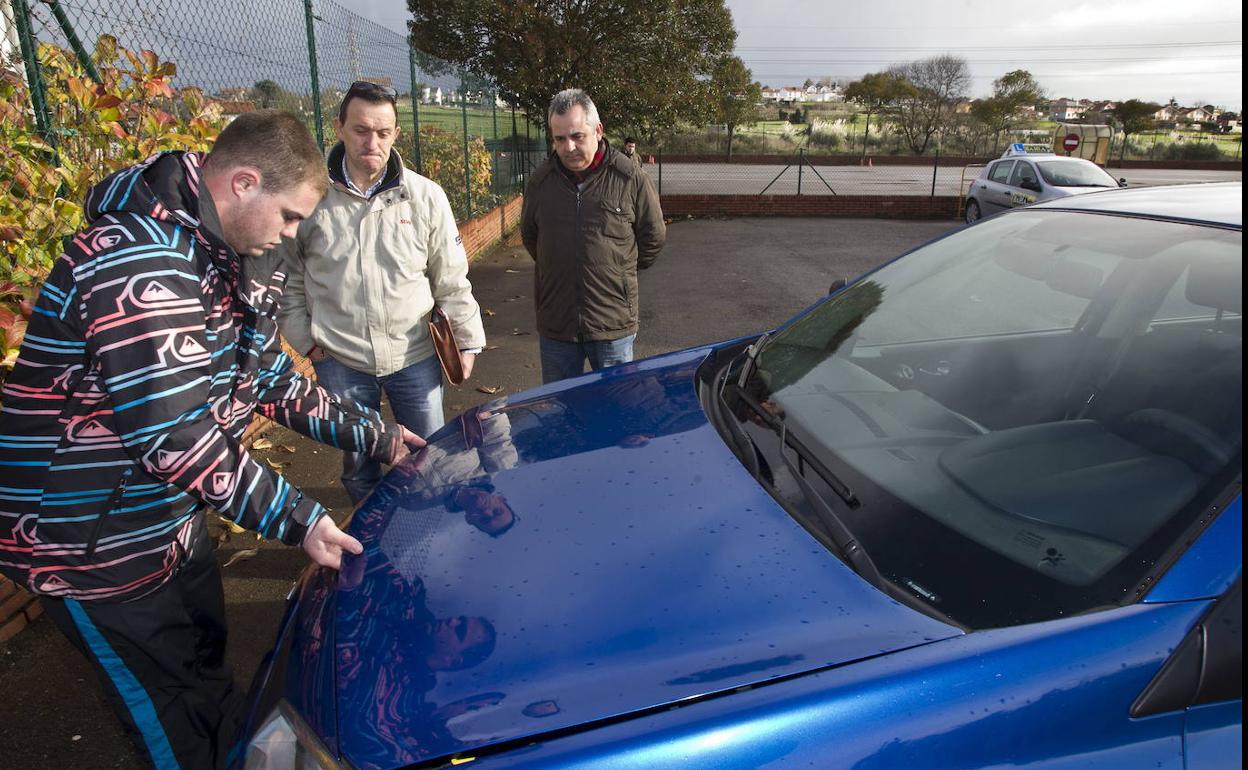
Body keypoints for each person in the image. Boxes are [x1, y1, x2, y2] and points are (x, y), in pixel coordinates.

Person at [0, 110, 425, 770]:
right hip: (89, 547)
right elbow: (173, 434)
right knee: (169, 710)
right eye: (287, 217)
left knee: (210, 675)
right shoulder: (135, 265)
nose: (290, 235)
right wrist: (301, 517)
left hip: (168, 520)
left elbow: (274, 379)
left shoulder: (238, 256)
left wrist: (377, 436)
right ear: (243, 183)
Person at [277, 81, 485, 504]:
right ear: (339, 127)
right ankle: (366, 548)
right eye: (360, 130)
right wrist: (306, 341)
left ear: (396, 134)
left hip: (415, 356)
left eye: (383, 132)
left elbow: (450, 277)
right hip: (341, 360)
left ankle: (428, 534)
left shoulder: (425, 197)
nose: (372, 141)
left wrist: (467, 338)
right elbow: (288, 278)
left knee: (431, 457)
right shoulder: (310, 199)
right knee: (360, 466)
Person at [521, 89, 666, 383]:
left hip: (612, 324)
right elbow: (531, 237)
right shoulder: (540, 183)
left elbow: (653, 236)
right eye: (560, 138)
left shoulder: (630, 179)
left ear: (597, 130)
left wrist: (619, 271)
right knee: (561, 411)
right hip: (557, 325)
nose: (569, 147)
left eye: (577, 136)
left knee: (616, 410)